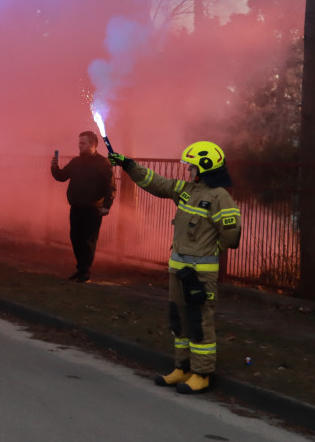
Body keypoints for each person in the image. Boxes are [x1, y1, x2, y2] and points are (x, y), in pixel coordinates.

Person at [108, 141, 241, 394]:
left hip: (200, 275)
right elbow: (157, 183)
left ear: (204, 168)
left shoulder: (220, 198)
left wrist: (208, 250)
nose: (188, 171)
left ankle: (202, 374)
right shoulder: (188, 190)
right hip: (178, 271)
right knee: (178, 319)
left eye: (191, 167)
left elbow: (231, 237)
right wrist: (128, 165)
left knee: (200, 321)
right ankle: (183, 367)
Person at [50, 130, 116, 282]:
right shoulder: (76, 162)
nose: (79, 146)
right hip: (76, 207)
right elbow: (61, 176)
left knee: (88, 241)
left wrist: (107, 206)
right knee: (75, 238)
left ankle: (85, 271)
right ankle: (81, 269)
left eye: (82, 143)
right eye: (79, 143)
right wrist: (54, 167)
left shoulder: (103, 163)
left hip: (93, 209)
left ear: (92, 144)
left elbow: (110, 187)